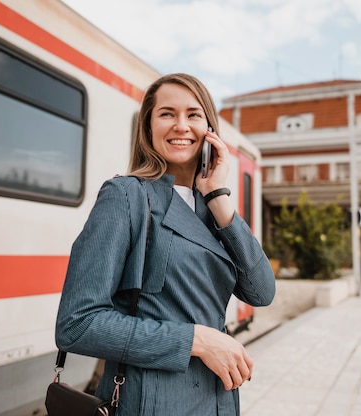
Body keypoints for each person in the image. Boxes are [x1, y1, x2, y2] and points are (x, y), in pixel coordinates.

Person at [55, 73, 276, 415]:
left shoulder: (212, 208)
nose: (181, 125)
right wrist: (197, 340)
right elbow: (77, 324)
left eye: (193, 115)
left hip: (217, 398)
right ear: (148, 126)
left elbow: (261, 292)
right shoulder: (126, 195)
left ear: (209, 129)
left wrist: (218, 196)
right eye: (167, 114)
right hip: (152, 401)